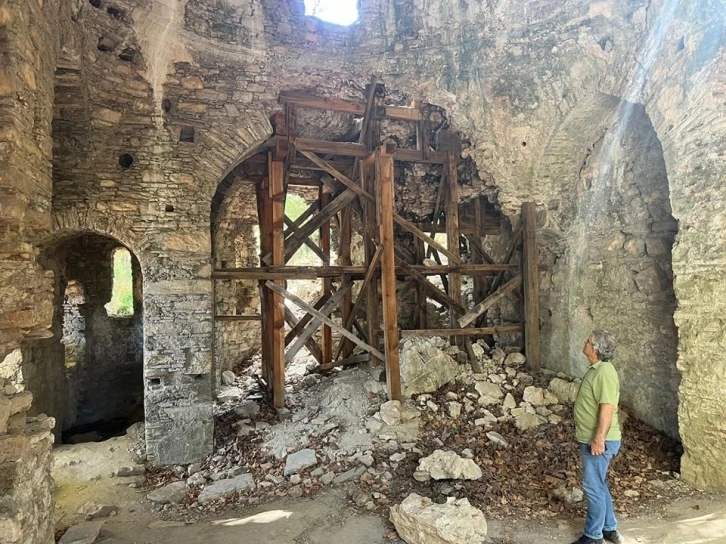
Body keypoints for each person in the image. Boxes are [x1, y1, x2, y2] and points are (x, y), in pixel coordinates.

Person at [571, 330, 624, 544]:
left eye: (588, 341)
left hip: (600, 440)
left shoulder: (604, 372)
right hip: (592, 438)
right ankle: (609, 528)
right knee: (599, 484)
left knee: (593, 487)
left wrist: (599, 438)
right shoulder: (596, 370)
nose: (584, 342)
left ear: (596, 349)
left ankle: (594, 536)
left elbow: (607, 408)